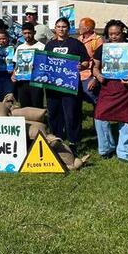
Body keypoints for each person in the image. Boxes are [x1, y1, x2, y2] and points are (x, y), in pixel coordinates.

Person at [91, 20, 128, 161]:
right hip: (107, 88)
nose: (113, 36)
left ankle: (124, 153)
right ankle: (106, 148)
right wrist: (98, 76)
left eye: (116, 33)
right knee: (100, 117)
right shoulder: (103, 48)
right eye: (110, 34)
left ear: (122, 32)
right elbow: (95, 67)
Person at [44, 17, 90, 154]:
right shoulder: (50, 45)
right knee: (54, 114)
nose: (61, 29)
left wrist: (81, 66)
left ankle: (73, 141)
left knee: (71, 114)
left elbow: (87, 61)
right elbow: (43, 63)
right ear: (55, 28)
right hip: (52, 86)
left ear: (68, 28)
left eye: (64, 26)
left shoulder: (76, 44)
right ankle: (56, 140)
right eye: (58, 26)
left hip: (70, 85)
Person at [11, 22, 45, 107]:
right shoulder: (20, 47)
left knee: (37, 105)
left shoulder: (41, 47)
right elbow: (17, 65)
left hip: (36, 81)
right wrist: (13, 75)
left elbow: (45, 64)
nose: (27, 35)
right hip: (22, 82)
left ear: (34, 32)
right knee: (24, 106)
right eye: (25, 33)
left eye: (29, 33)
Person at [77, 17, 103, 105]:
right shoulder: (79, 39)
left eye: (80, 26)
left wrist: (95, 78)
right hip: (78, 73)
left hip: (89, 75)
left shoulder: (97, 40)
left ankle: (100, 114)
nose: (78, 28)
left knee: (90, 94)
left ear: (87, 28)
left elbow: (101, 60)